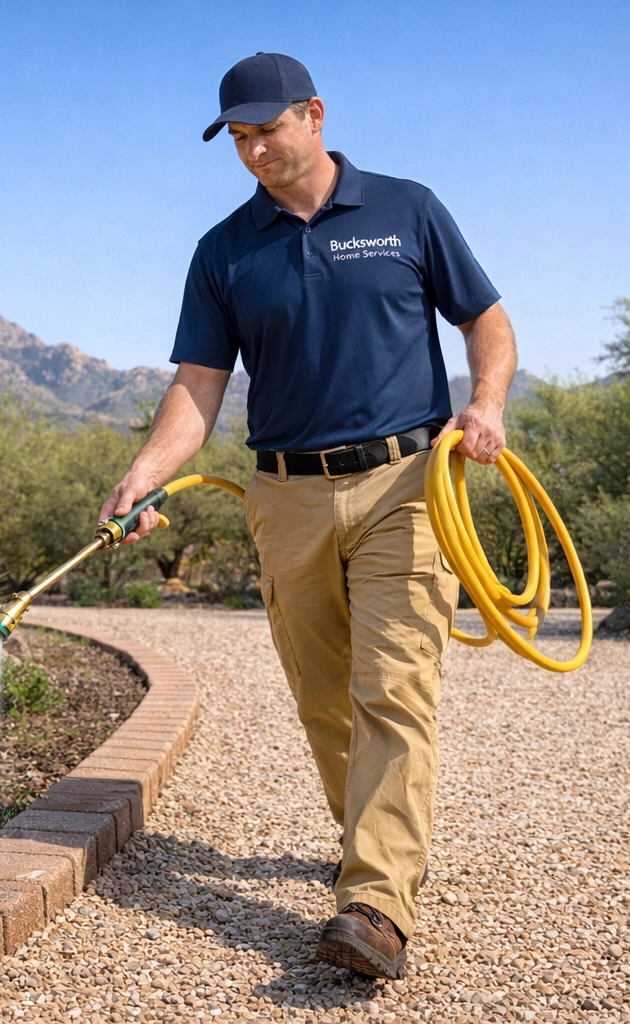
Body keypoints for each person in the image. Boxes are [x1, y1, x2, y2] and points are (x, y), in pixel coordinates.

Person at [100, 52, 517, 979]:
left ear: (315, 115)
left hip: (408, 485)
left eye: (268, 129)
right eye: (239, 137)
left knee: (393, 687)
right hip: (284, 496)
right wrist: (144, 473)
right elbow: (199, 386)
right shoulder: (224, 251)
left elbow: (486, 321)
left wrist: (485, 402)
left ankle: (376, 901)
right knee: (325, 698)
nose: (255, 149)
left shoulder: (406, 208)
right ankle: (370, 838)